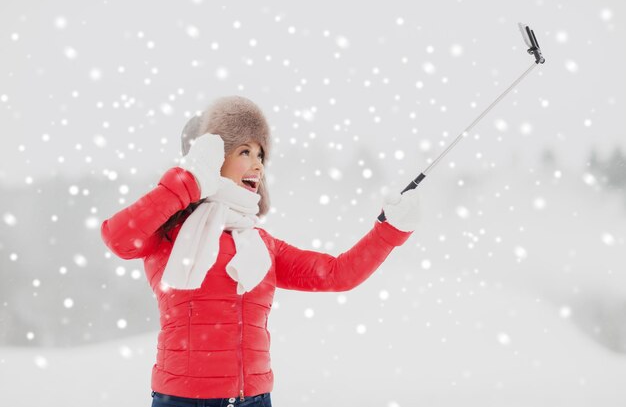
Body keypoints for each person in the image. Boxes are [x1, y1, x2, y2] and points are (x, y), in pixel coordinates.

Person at [101, 96, 420, 407]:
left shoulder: (261, 244)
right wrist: (191, 179)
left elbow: (337, 274)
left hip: (252, 400)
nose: (258, 165)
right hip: (181, 400)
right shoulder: (169, 232)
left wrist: (389, 230)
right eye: (245, 151)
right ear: (214, 158)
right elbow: (118, 238)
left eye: (261, 155)